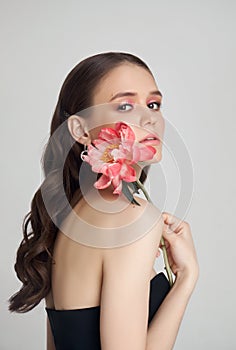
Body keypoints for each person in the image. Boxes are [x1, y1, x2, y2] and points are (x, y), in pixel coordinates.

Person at [8, 52, 199, 350]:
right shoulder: (133, 218)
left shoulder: (69, 219)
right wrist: (185, 280)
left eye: (153, 104)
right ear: (80, 131)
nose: (150, 117)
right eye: (125, 105)